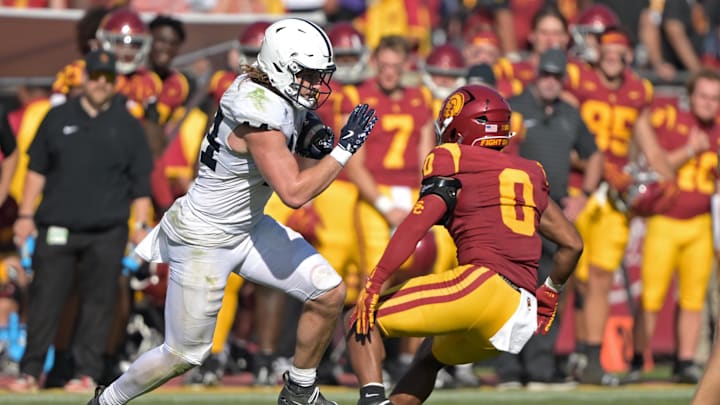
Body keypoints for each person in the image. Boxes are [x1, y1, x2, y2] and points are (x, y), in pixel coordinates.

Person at [86, 18, 378, 405]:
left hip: (248, 228)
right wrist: (344, 149)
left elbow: (298, 124)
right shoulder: (257, 111)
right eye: (306, 75)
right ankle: (107, 400)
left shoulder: (270, 91)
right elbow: (293, 192)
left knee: (328, 293)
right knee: (185, 354)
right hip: (205, 236)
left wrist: (313, 134)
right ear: (281, 67)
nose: (314, 84)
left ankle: (299, 390)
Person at [345, 83, 583, 405]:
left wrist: (374, 283)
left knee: (360, 319)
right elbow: (572, 244)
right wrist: (551, 290)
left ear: (458, 126)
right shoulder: (530, 172)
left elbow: (417, 224)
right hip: (516, 311)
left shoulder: (451, 157)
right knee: (430, 356)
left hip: (481, 285)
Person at [8, 49, 154, 393]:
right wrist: (26, 216)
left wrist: (141, 226)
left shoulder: (128, 126)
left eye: (107, 78)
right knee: (45, 299)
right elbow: (36, 171)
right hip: (56, 226)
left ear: (114, 82)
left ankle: (85, 373)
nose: (101, 84)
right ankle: (30, 372)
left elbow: (141, 184)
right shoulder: (57, 118)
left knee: (99, 302)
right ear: (85, 78)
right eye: (95, 77)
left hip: (108, 230)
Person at [564, 27, 675, 385]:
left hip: (613, 198)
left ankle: (592, 358)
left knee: (600, 275)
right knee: (576, 280)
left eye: (620, 49)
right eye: (608, 48)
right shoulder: (578, 80)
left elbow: (651, 146)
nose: (614, 55)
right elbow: (563, 138)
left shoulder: (636, 91)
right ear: (596, 51)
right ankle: (580, 351)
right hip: (580, 187)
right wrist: (601, 168)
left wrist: (669, 179)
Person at [496, 48, 603, 390]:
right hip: (516, 205)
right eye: (546, 75)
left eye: (557, 77)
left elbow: (595, 154)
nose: (550, 82)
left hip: (554, 207)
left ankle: (540, 368)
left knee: (550, 287)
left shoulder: (570, 113)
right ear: (536, 74)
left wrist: (583, 195)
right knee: (511, 286)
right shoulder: (514, 107)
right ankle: (509, 368)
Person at [628, 69, 720, 384]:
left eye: (715, 98)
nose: (709, 104)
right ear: (691, 96)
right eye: (704, 96)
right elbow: (656, 160)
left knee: (693, 298)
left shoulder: (718, 131)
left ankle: (685, 361)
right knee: (652, 297)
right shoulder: (671, 120)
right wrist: (690, 150)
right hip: (665, 220)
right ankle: (639, 358)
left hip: (700, 224)